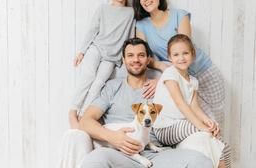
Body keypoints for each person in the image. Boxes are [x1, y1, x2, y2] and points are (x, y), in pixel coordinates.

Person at [77, 37, 213, 168]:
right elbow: (85, 121)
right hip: (119, 153)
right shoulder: (112, 87)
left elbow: (185, 100)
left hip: (155, 153)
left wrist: (160, 82)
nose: (136, 59)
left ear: (148, 59)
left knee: (201, 162)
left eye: (141, 55)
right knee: (95, 160)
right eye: (130, 55)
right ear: (124, 60)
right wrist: (112, 137)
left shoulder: (164, 85)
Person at [132, 0, 226, 130]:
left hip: (204, 72)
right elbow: (145, 57)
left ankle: (220, 152)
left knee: (216, 124)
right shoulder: (142, 25)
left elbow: (184, 48)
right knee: (199, 126)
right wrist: (163, 70)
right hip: (181, 79)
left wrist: (165, 76)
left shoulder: (180, 15)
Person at [152, 34, 231, 168]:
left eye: (185, 53)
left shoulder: (193, 80)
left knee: (223, 145)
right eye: (176, 55)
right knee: (208, 133)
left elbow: (195, 107)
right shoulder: (170, 74)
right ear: (170, 57)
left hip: (181, 125)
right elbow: (180, 103)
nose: (181, 58)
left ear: (192, 54)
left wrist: (208, 122)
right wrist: (201, 127)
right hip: (165, 128)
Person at [69, 0, 135, 129]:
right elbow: (92, 30)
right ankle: (74, 108)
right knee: (89, 76)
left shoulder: (131, 12)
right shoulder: (103, 9)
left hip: (112, 57)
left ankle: (84, 114)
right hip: (97, 48)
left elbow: (130, 36)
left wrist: (127, 58)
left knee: (99, 83)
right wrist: (82, 51)